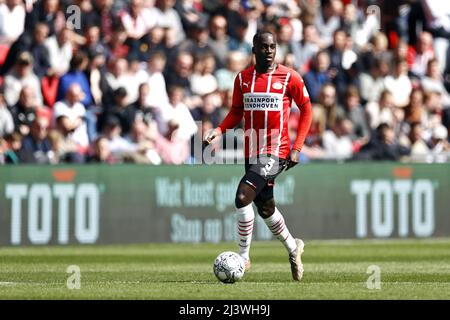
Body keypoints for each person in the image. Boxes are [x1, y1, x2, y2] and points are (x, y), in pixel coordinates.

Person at [204, 31, 312, 281]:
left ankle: (243, 256)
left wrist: (297, 146)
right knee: (265, 207)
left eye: (273, 46)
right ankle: (293, 248)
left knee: (242, 196)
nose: (269, 51)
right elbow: (236, 111)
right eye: (264, 47)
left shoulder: (289, 77)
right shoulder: (243, 79)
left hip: (277, 150)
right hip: (252, 150)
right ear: (254, 49)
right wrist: (218, 130)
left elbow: (306, 109)